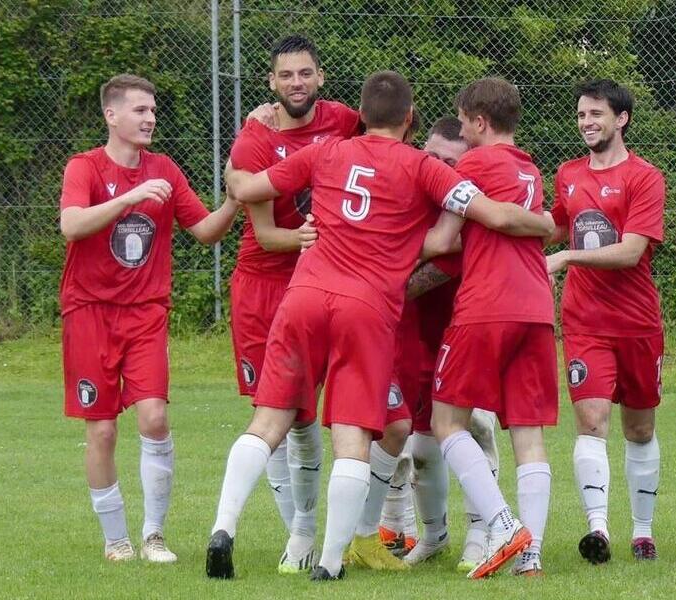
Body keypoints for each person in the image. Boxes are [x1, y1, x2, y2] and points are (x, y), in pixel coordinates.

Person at [206, 70, 555, 581]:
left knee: (267, 421)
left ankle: (223, 528)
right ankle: (328, 562)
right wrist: (545, 224)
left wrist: (253, 132)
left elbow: (245, 184)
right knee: (353, 435)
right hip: (364, 307)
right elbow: (490, 219)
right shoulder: (424, 168)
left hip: (302, 295)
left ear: (361, 117)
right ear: (410, 119)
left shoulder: (325, 151)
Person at [58, 73, 239, 562]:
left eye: (153, 109)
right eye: (139, 110)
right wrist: (127, 199)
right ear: (111, 115)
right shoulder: (86, 168)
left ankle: (154, 535)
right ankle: (116, 540)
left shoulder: (164, 168)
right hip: (90, 312)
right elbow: (71, 225)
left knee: (155, 417)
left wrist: (235, 200)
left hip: (146, 313)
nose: (150, 118)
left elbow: (204, 231)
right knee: (101, 430)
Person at [227, 34, 360, 574]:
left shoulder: (346, 120)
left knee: (346, 413)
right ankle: (300, 531)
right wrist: (315, 236)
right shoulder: (256, 134)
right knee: (282, 416)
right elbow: (259, 230)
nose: (297, 84)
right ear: (271, 83)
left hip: (332, 287)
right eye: (286, 76)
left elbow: (397, 127)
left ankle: (356, 533)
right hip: (266, 285)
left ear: (321, 77)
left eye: (305, 74)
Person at [429, 77, 558, 579]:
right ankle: (532, 556)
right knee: (528, 432)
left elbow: (443, 239)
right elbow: (534, 225)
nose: (460, 131)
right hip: (536, 307)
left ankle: (503, 524)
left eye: (462, 122)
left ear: (480, 121)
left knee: (446, 421)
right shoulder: (530, 168)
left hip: (486, 305)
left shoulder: (473, 164)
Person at [546, 79, 667, 564]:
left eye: (596, 114)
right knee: (591, 422)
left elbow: (633, 251)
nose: (587, 123)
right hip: (584, 322)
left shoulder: (645, 177)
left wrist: (565, 259)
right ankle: (598, 529)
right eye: (581, 115)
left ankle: (642, 531)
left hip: (637, 322)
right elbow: (554, 225)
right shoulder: (568, 174)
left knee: (638, 430)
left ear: (622, 119)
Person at [380, 118, 502, 572]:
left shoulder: (472, 207)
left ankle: (481, 530)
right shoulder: (401, 196)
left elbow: (431, 271)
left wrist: (385, 273)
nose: (436, 168)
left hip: (465, 328)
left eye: (449, 162)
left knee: (476, 430)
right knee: (421, 441)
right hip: (409, 334)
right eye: (430, 157)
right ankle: (432, 535)